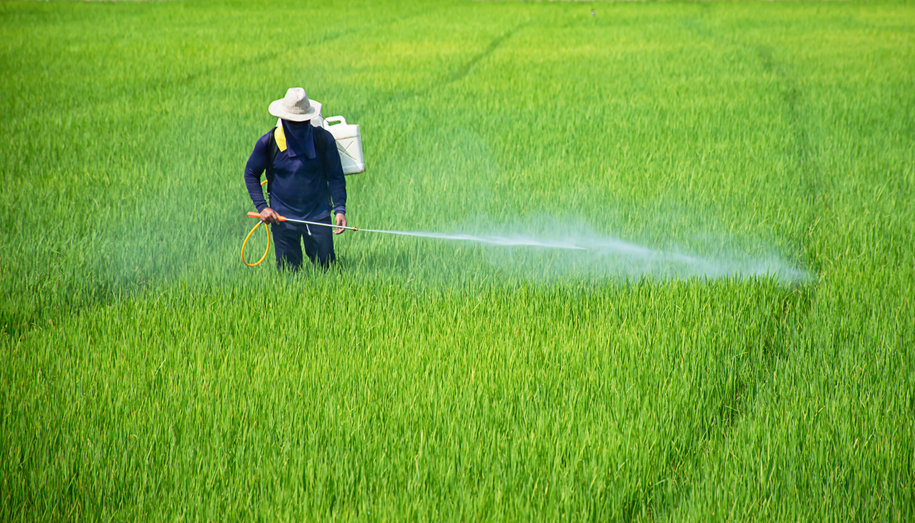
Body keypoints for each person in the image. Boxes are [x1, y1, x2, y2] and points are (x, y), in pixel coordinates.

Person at [244, 88, 347, 270]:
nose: (298, 126)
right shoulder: (269, 142)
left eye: (302, 122)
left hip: (318, 214)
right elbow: (251, 173)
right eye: (293, 122)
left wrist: (339, 209)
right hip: (282, 217)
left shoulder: (322, 139)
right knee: (288, 273)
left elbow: (335, 176)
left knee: (327, 269)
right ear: (283, 119)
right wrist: (262, 207)